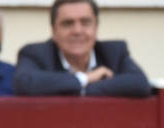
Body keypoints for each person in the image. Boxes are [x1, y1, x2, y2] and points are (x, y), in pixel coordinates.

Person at [13, 0, 151, 97]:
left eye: (85, 23)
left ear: (96, 28)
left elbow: (140, 84)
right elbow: (24, 83)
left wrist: (83, 88)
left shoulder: (114, 52)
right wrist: (85, 78)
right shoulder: (35, 54)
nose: (77, 31)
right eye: (68, 24)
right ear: (54, 31)